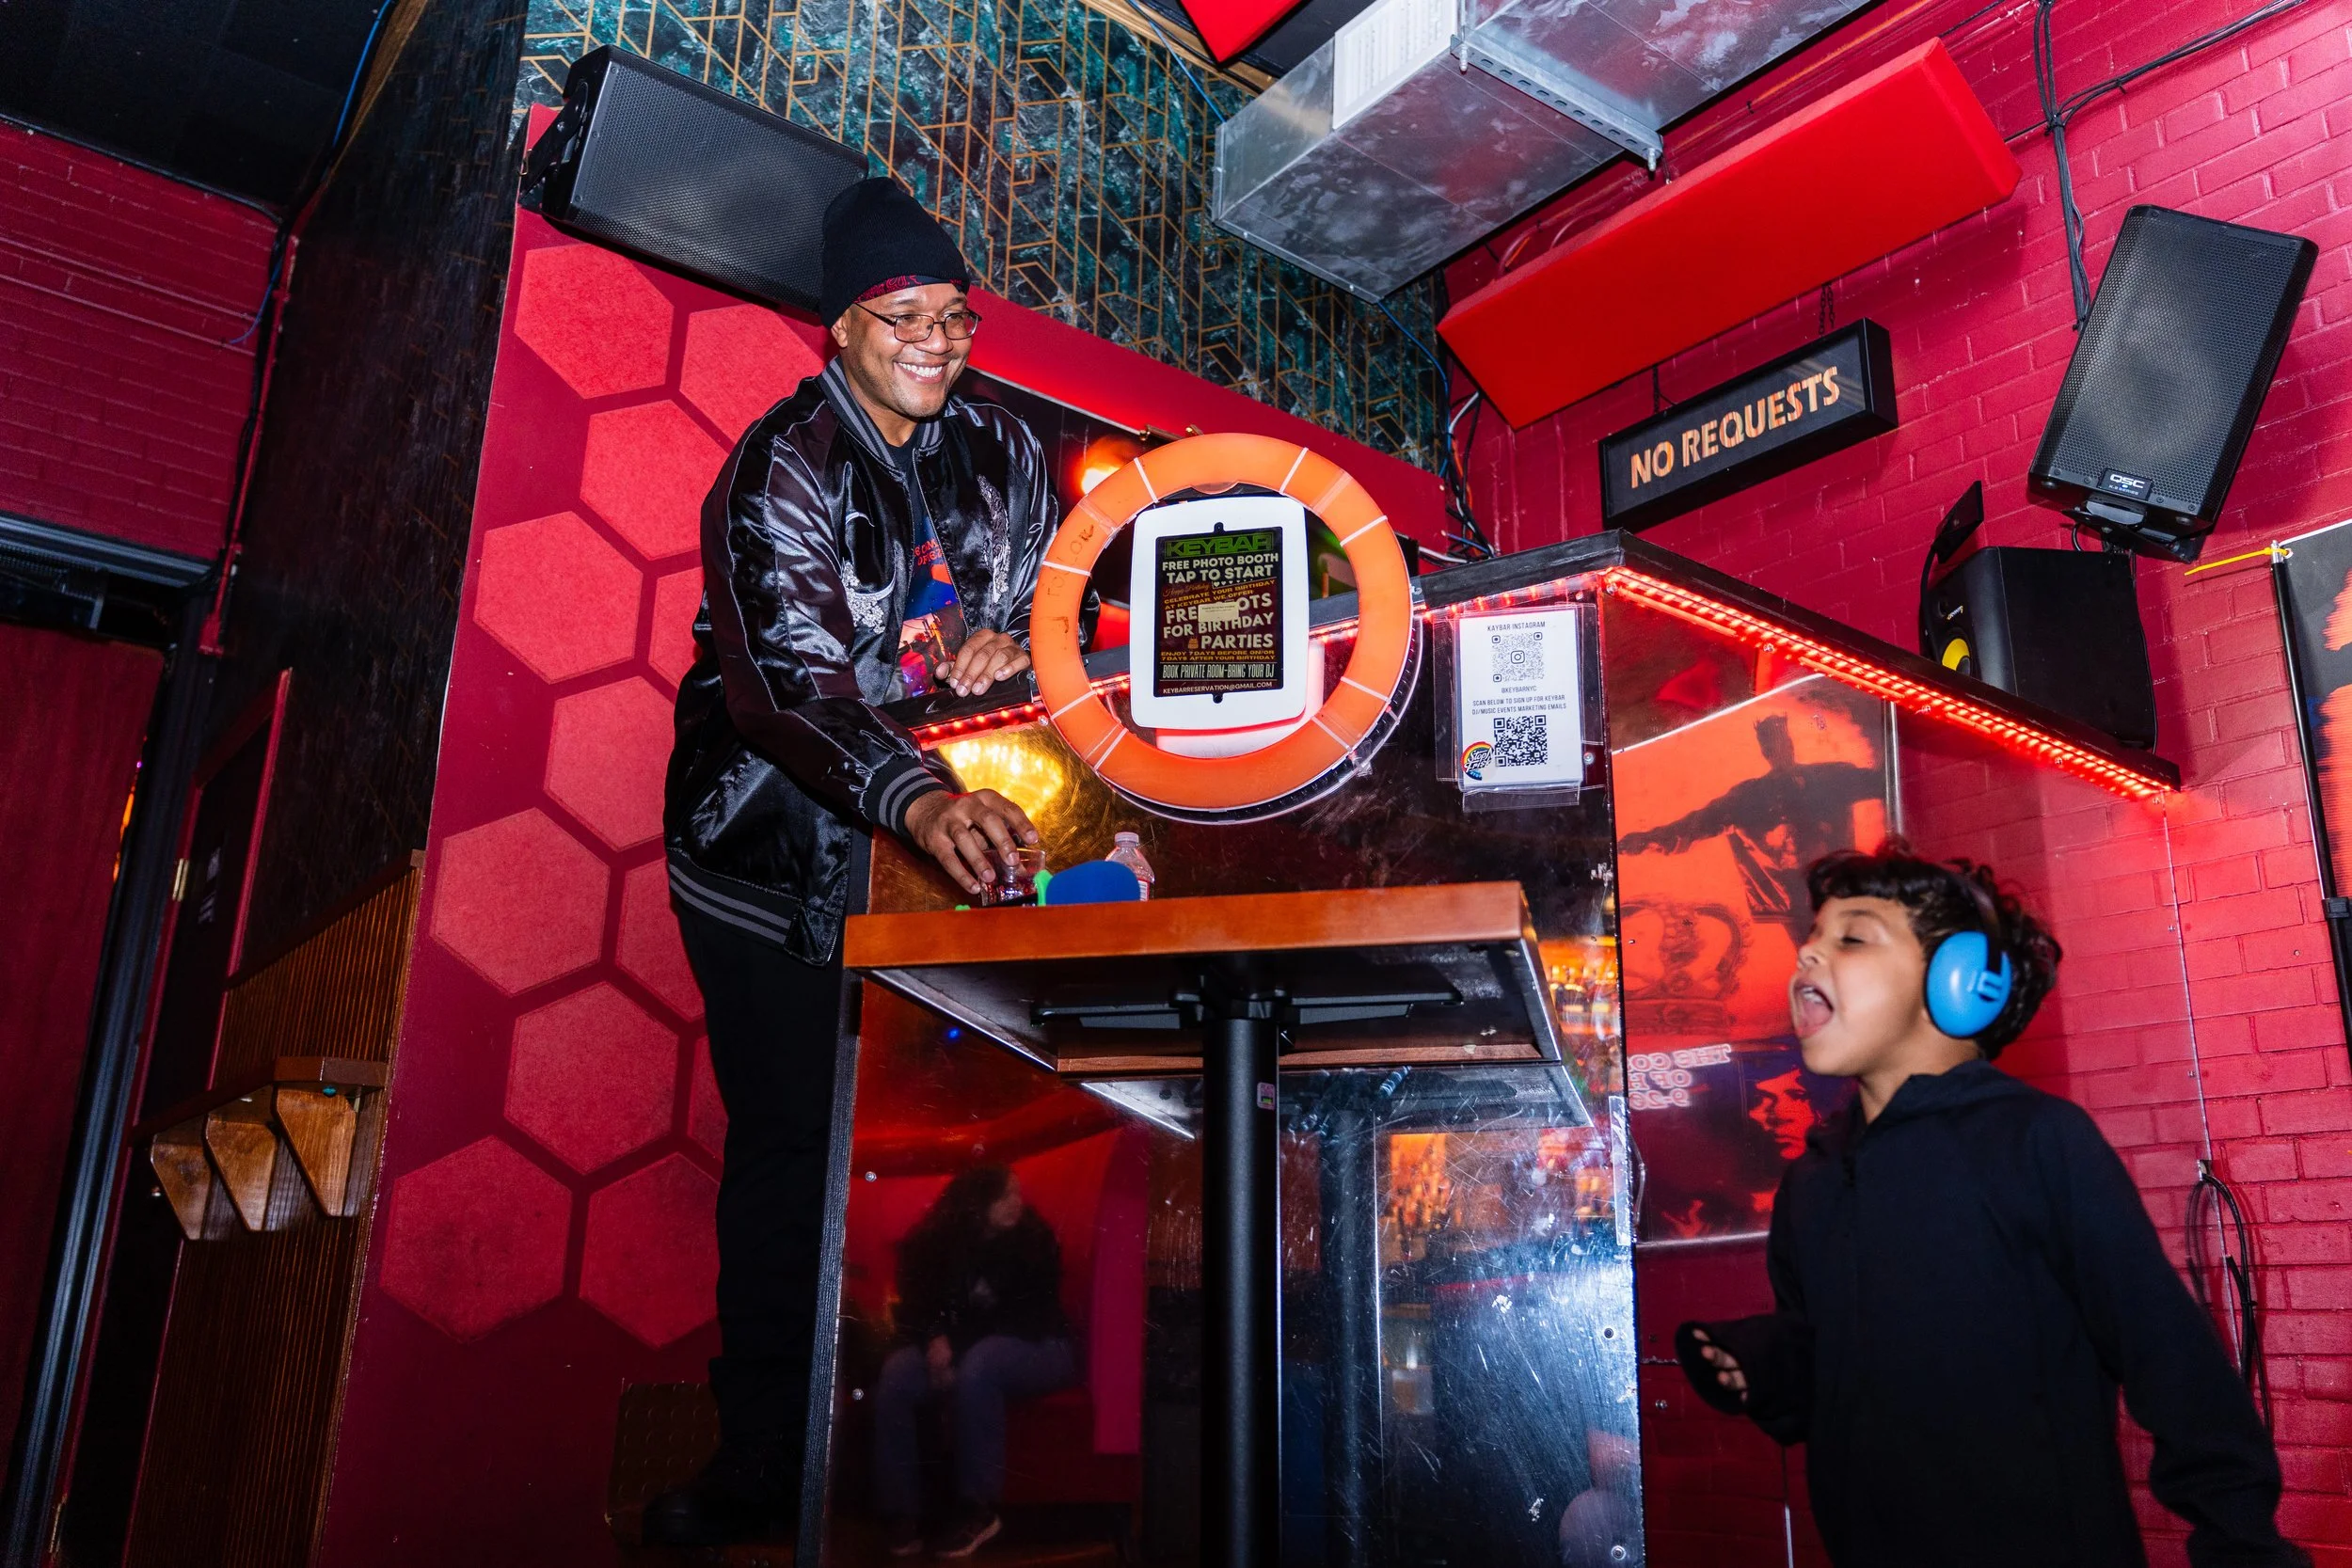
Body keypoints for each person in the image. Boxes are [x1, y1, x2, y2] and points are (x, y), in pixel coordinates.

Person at [646, 177, 1063, 1547]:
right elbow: (784, 685)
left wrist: (1010, 647)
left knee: (920, 1154)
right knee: (789, 1150)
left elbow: (1039, 612)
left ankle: (919, 1460)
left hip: (928, 852)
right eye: (904, 316)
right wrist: (918, 788)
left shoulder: (1010, 447)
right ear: (840, 330)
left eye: (955, 315)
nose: (937, 339)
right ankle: (765, 1455)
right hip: (764, 858)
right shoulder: (781, 466)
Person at [1677, 842, 2304, 1568]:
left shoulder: (2036, 1142)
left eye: (1850, 936)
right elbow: (1841, 1368)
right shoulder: (1813, 1182)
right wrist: (1769, 1362)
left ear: (1961, 981)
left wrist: (2243, 1547)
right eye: (1809, 940)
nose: (1808, 957)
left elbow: (2173, 1363)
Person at [872, 1166, 1075, 1558]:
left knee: (980, 1365)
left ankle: (978, 1508)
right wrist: (934, 1339)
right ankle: (901, 1512)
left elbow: (1027, 1319)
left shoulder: (1033, 1241)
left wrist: (955, 1347)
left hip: (1043, 1348)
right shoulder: (940, 1243)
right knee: (898, 1374)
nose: (1017, 1202)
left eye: (1017, 1193)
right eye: (1005, 1196)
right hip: (963, 1348)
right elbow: (920, 1304)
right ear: (977, 1204)